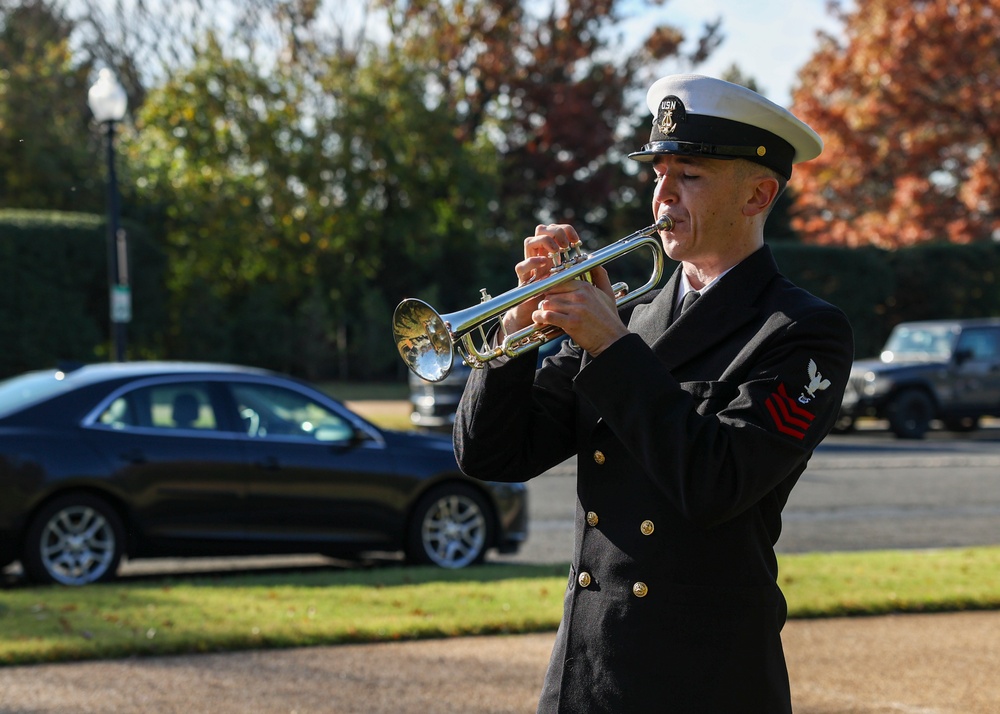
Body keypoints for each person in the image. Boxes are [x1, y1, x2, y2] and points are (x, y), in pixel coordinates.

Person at [454, 74, 855, 713]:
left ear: (758, 193)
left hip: (704, 684)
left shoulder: (802, 332)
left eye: (688, 175)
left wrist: (610, 347)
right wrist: (510, 334)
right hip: (587, 675)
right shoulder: (632, 316)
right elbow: (493, 456)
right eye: (657, 174)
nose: (661, 198)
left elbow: (715, 483)